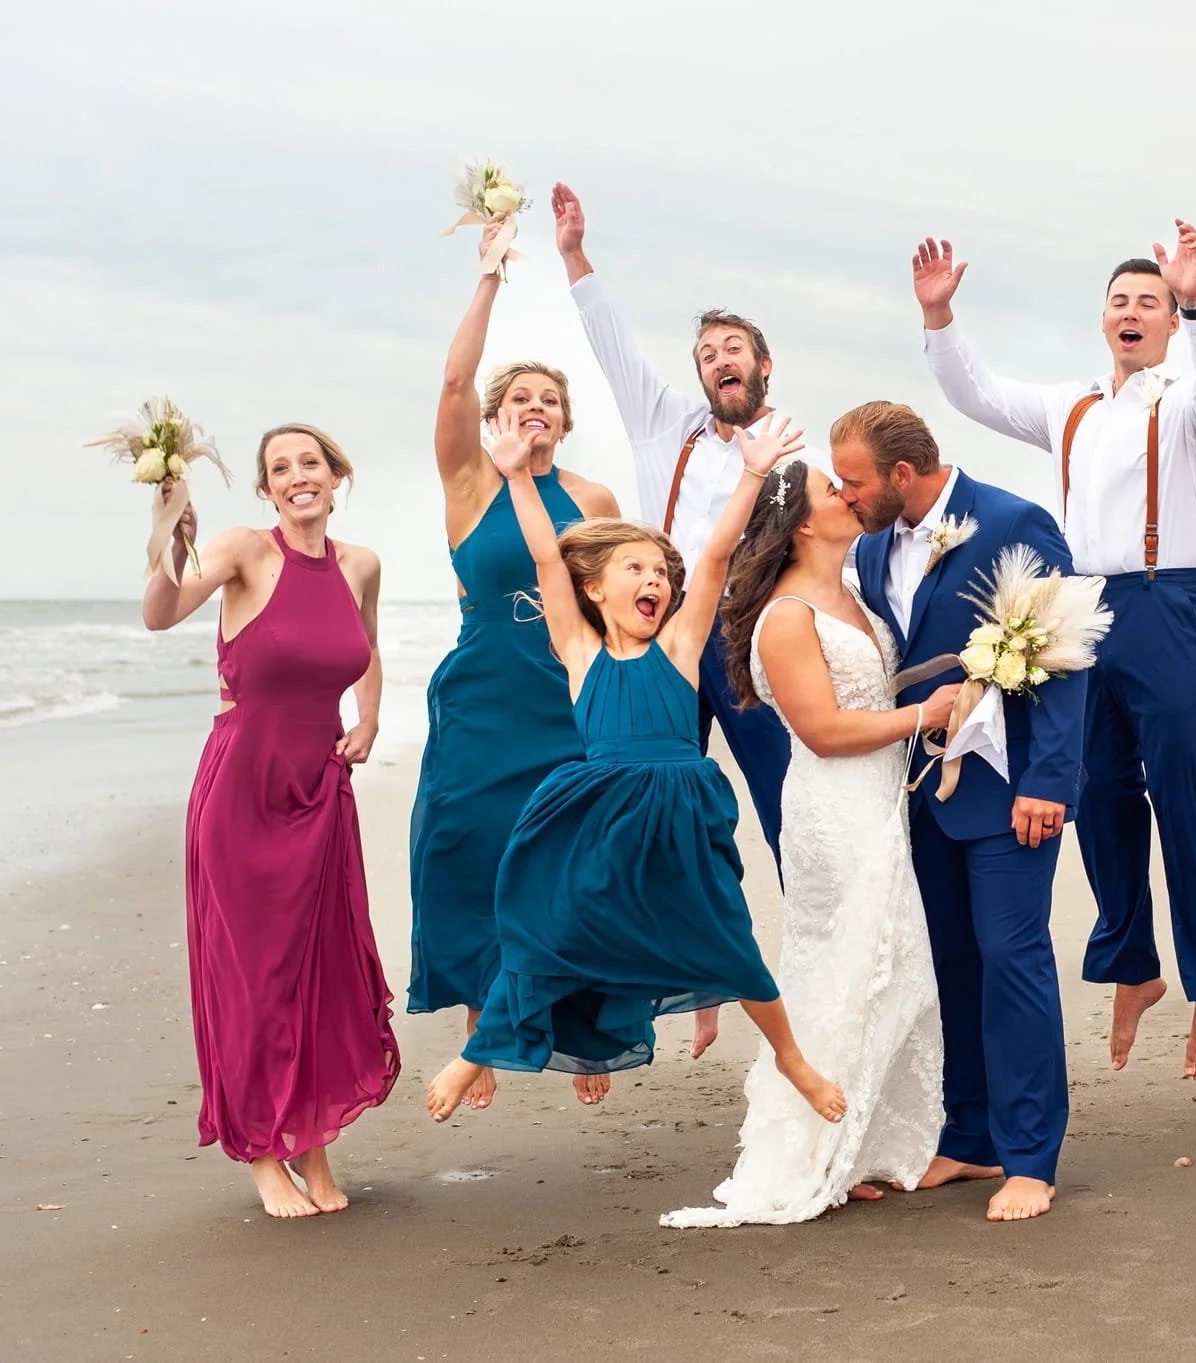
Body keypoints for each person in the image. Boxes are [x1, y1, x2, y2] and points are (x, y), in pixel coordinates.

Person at [424, 408, 848, 1130]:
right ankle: (484, 1047)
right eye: (635, 568)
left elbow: (713, 558)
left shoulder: (681, 646)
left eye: (659, 570)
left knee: (728, 935)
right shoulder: (580, 652)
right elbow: (547, 558)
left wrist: (751, 473)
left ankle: (790, 1056)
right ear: (596, 590)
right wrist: (519, 476)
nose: (653, 578)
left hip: (682, 809)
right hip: (599, 813)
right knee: (548, 926)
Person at [912, 224, 1196, 1079]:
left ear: (1171, 322)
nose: (1133, 312)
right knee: (1096, 791)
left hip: (1165, 602)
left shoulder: (1190, 404)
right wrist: (940, 314)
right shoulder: (1073, 404)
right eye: (1121, 300)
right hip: (1080, 608)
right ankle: (1134, 962)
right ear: (1103, 318)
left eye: (1151, 302)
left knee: (1178, 796)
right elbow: (976, 392)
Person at [662, 457, 963, 1228]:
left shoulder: (854, 593)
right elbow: (824, 732)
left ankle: (844, 1146)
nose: (851, 493)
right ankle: (803, 1153)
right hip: (835, 808)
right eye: (834, 488)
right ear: (800, 520)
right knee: (847, 968)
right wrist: (923, 717)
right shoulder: (787, 615)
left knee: (884, 969)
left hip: (877, 802)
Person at [839, 400, 1088, 1223]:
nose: (847, 496)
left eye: (856, 482)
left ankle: (1031, 1157)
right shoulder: (872, 545)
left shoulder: (1015, 522)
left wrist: (1049, 779)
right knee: (952, 960)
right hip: (920, 788)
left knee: (1012, 957)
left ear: (902, 475)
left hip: (1011, 786)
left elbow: (1064, 654)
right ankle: (971, 1133)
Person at [142, 424, 399, 1218]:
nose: (297, 477)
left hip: (319, 788)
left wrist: (371, 718)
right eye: (280, 468)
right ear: (266, 489)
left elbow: (367, 650)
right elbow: (161, 612)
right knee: (253, 978)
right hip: (242, 794)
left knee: (318, 976)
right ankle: (261, 1151)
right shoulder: (244, 552)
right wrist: (165, 530)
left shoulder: (361, 564)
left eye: (309, 463)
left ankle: (313, 1152)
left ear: (335, 475)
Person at [409, 222, 622, 1109]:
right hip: (482, 698)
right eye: (520, 398)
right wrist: (489, 278)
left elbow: (627, 599)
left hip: (566, 698)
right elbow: (454, 379)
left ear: (566, 419)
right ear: (496, 418)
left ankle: (583, 1021)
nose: (536, 408)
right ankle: (481, 1018)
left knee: (570, 860)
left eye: (550, 400)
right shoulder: (470, 484)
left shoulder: (592, 498)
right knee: (464, 853)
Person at [555, 181, 815, 875]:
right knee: (652, 795)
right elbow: (612, 345)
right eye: (707, 353)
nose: (720, 359)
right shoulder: (665, 425)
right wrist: (576, 257)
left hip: (748, 641)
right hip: (661, 631)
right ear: (699, 374)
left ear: (763, 365)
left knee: (784, 799)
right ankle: (665, 957)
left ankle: (814, 941)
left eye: (734, 348)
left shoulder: (799, 457)